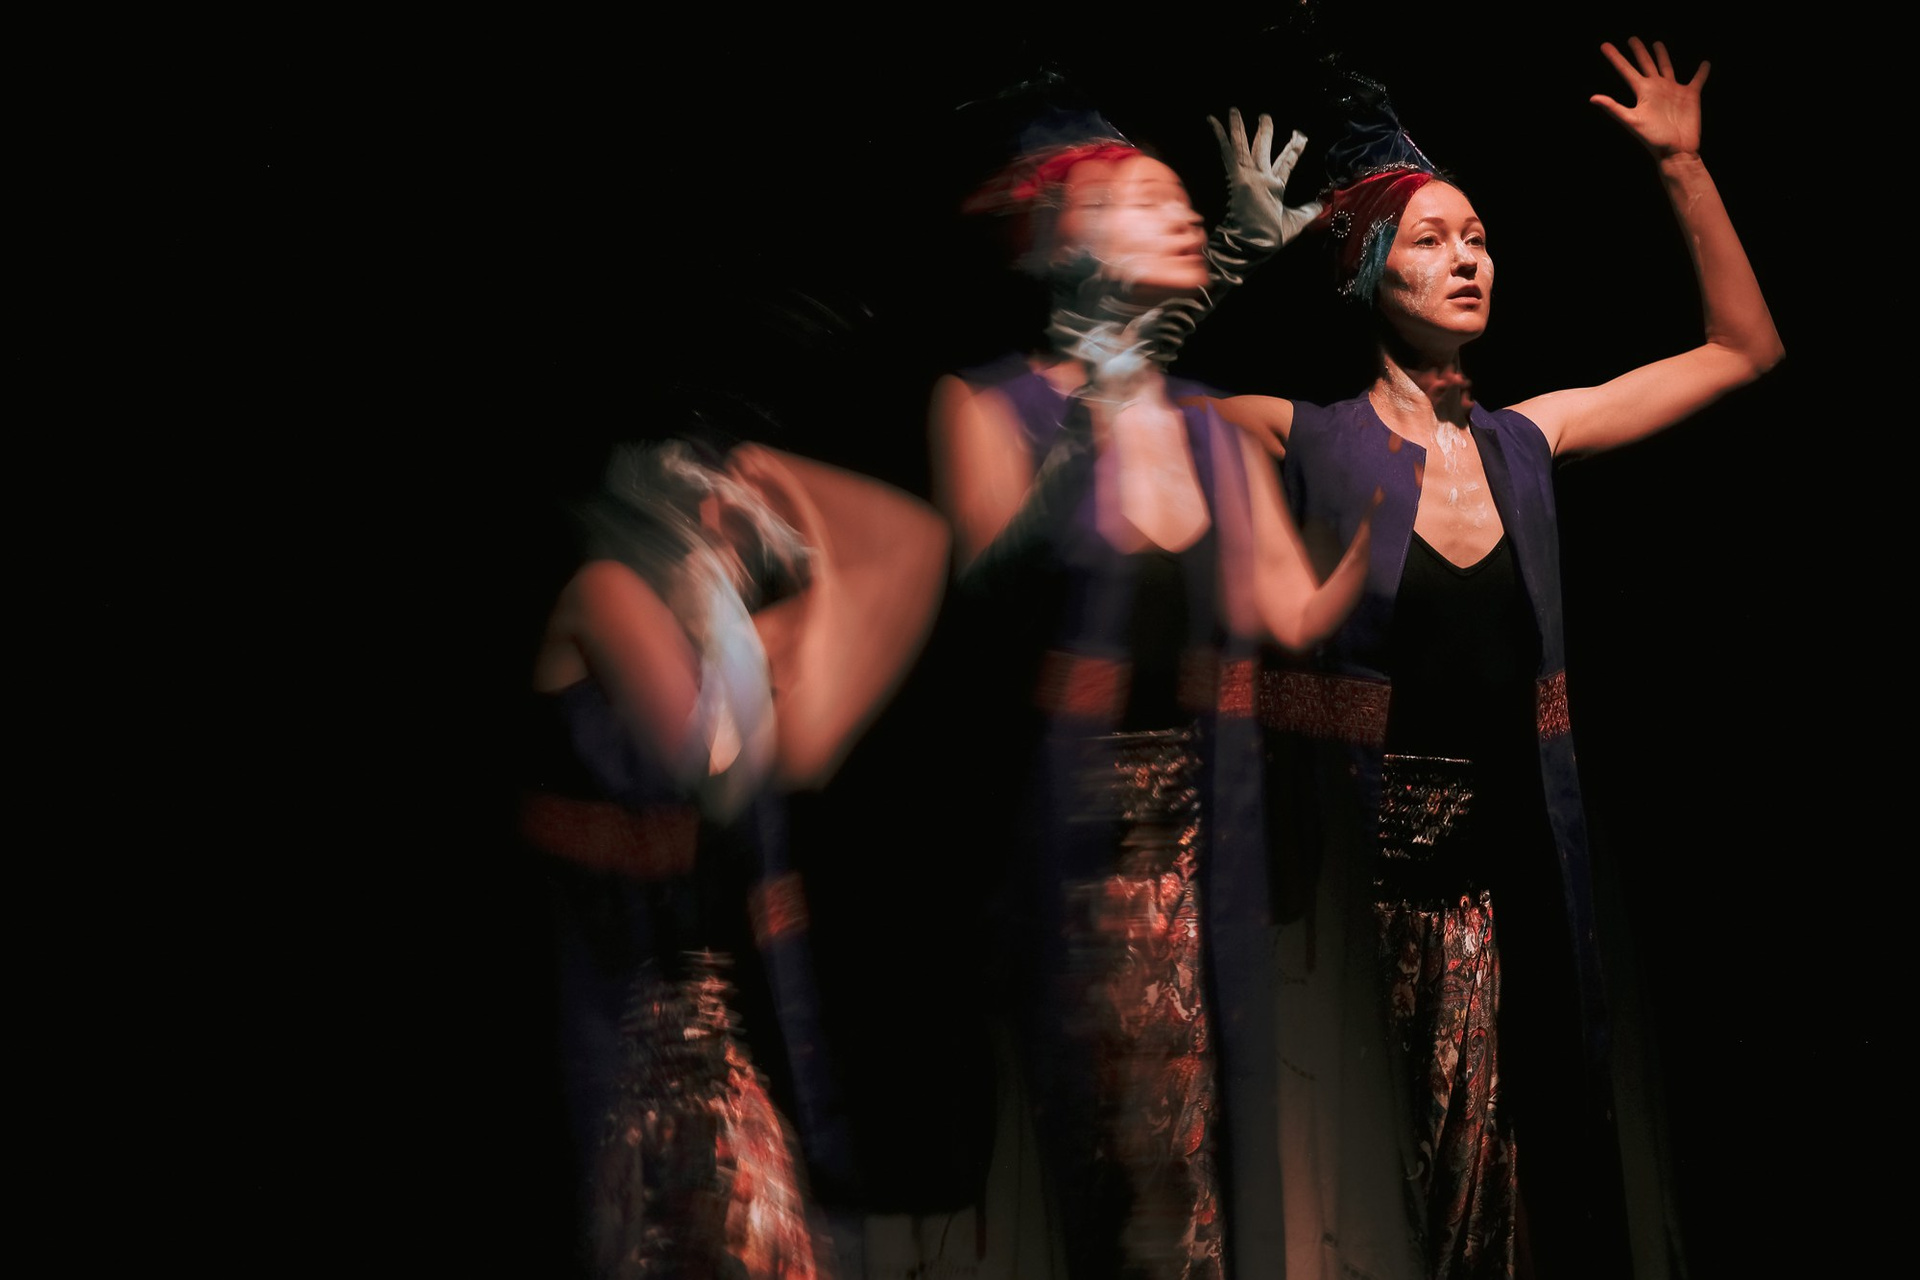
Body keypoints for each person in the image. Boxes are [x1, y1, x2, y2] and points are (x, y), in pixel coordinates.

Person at [1195, 37, 1784, 1280]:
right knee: (1381, 1200)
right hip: (1358, 902)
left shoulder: (1531, 438)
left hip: (1519, 886)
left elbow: (1744, 349)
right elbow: (1112, 434)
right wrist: (1226, 272)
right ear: (1364, 271)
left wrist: (1682, 167)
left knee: (1522, 1200)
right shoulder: (1297, 438)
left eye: (1479, 237)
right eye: (1432, 239)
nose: (1469, 257)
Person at [928, 108, 1370, 1279]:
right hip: (1084, 850)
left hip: (1211, 838)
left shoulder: (1206, 430)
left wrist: (1394, 485)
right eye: (1144, 200)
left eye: (1186, 203)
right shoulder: (986, 406)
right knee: (1135, 1178)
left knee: (1210, 1169)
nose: (1182, 213)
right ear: (1058, 240)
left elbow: (1295, 617)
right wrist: (1121, 378)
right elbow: (995, 582)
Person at [519, 434, 949, 1278]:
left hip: (724, 1053)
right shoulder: (607, 593)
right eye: (722, 506)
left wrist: (790, 488)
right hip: (628, 1050)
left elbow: (916, 545)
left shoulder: (733, 650)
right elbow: (722, 771)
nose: (748, 532)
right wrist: (756, 590)